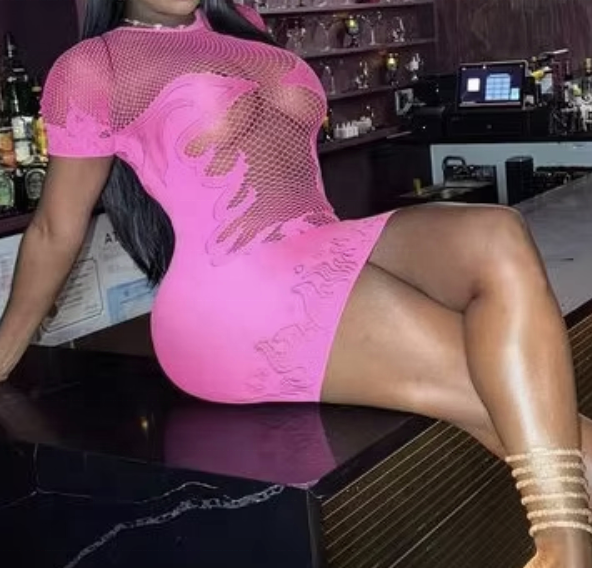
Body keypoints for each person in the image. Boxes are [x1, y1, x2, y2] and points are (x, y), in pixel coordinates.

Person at [0, 0, 590, 565]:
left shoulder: (242, 23)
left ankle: (565, 553)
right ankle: (566, 552)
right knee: (502, 388)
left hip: (317, 243)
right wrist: (5, 350)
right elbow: (54, 229)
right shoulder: (94, 66)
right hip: (233, 300)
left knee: (497, 232)